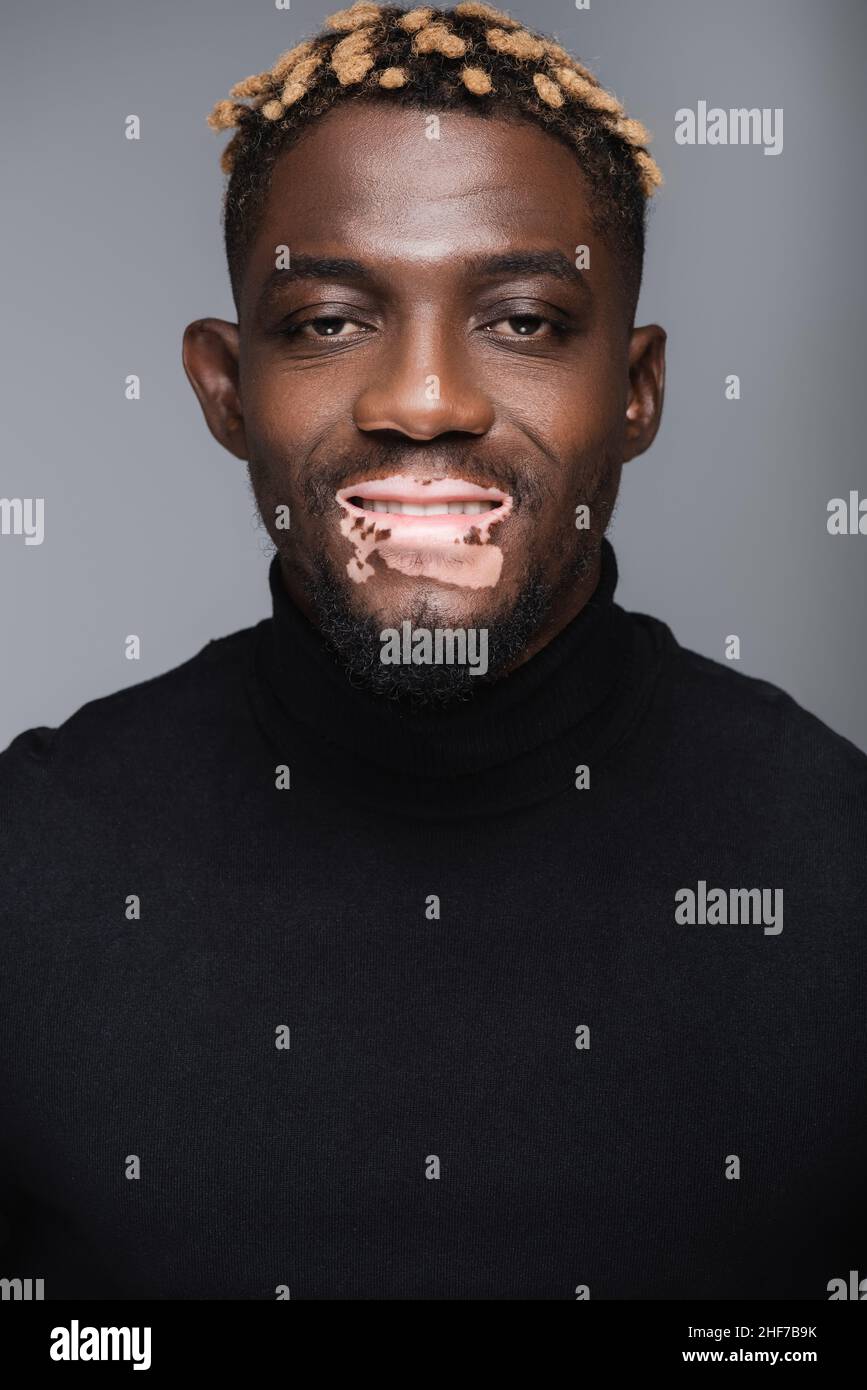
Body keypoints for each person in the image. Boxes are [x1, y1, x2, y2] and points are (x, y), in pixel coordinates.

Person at [1, 2, 864, 1301]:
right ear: (225, 389)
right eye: (328, 320)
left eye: (522, 319)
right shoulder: (32, 866)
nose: (424, 399)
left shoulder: (838, 866)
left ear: (634, 392)